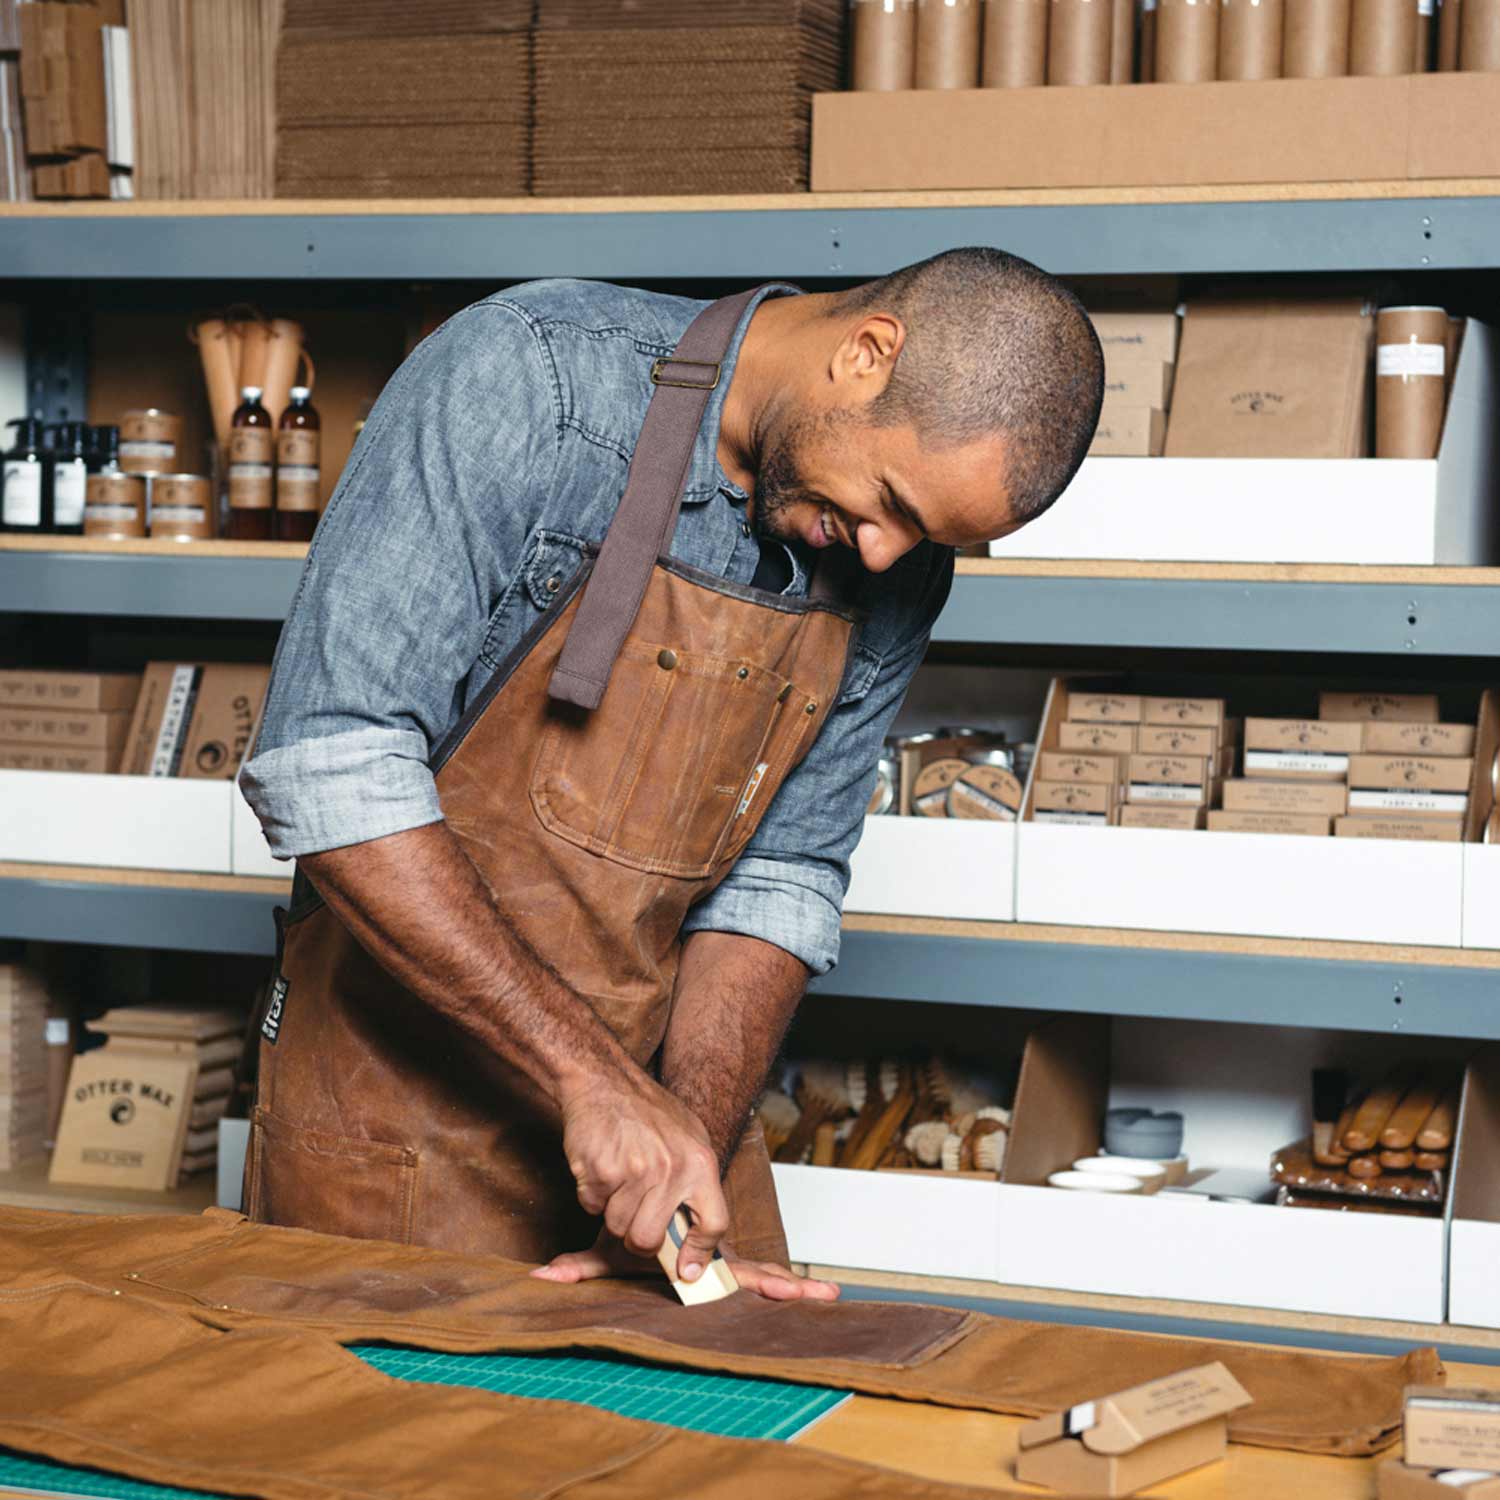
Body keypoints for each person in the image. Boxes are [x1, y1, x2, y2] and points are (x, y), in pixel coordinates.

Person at [239, 247, 1103, 1303]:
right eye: (888, 502)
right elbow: (330, 765)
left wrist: (677, 1163)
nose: (884, 558)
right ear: (867, 355)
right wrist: (591, 1082)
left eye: (925, 538)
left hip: (664, 1136)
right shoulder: (531, 380)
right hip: (403, 1116)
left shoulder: (893, 563)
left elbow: (780, 879)